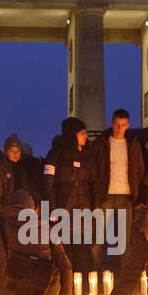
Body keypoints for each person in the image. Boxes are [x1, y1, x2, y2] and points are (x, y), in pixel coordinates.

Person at [87, 109, 146, 261]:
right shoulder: (101, 143)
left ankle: (125, 274)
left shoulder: (133, 144)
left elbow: (140, 169)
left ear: (128, 125)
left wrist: (136, 192)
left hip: (126, 196)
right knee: (97, 238)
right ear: (112, 124)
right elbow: (92, 168)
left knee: (124, 240)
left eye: (123, 125)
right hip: (104, 196)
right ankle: (95, 271)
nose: (120, 128)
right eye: (117, 124)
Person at [43, 117, 96, 273]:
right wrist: (51, 209)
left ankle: (78, 285)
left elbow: (94, 182)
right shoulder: (55, 155)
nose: (86, 136)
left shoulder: (87, 155)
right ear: (72, 134)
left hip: (83, 213)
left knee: (81, 255)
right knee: (63, 255)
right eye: (82, 133)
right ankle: (63, 284)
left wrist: (95, 206)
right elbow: (47, 184)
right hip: (62, 212)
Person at [0, 134, 41, 219]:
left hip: (25, 211)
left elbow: (31, 190)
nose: (15, 154)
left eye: (18, 151)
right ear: (6, 152)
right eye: (11, 151)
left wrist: (36, 205)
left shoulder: (25, 168)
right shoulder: (0, 170)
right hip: (6, 212)